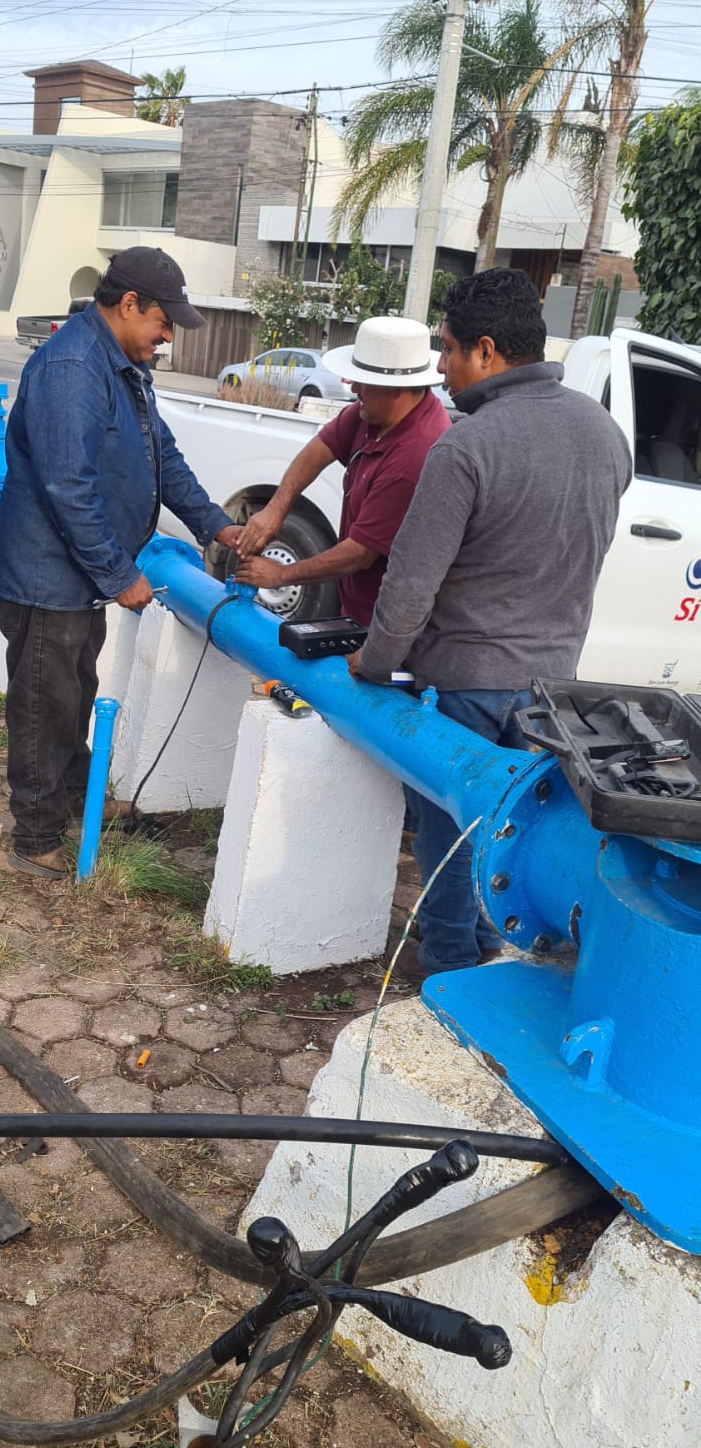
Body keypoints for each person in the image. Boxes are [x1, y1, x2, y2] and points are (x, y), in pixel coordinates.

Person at [347, 268, 632, 976]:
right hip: (548, 693)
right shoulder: (604, 434)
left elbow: (409, 588)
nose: (440, 371)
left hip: (462, 685)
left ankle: (446, 968)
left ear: (484, 349)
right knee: (509, 831)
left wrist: (372, 665)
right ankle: (483, 948)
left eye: (445, 351)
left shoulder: (465, 447)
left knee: (446, 839)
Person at [0, 246, 242, 880]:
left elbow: (164, 459)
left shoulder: (122, 365)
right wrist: (119, 573)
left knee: (74, 695)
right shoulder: (74, 366)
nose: (166, 339)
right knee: (45, 704)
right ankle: (37, 836)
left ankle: (76, 802)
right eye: (163, 323)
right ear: (129, 305)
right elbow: (66, 486)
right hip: (50, 575)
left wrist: (218, 524)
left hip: (78, 577)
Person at [234, 317, 450, 625]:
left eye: (364, 381)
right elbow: (317, 451)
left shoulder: (414, 455)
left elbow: (359, 554)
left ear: (397, 389)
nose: (354, 388)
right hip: (356, 606)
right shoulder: (371, 414)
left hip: (386, 626)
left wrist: (282, 574)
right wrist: (275, 509)